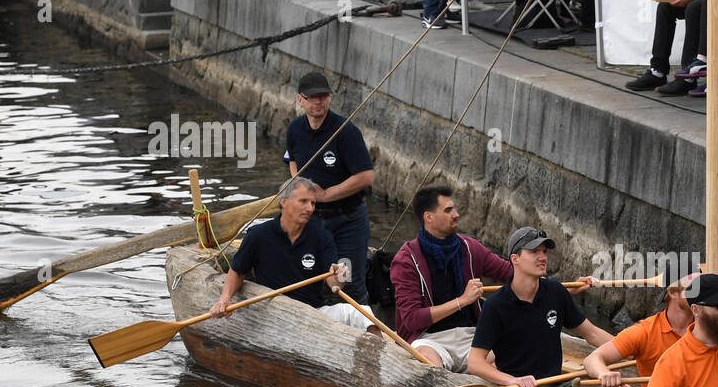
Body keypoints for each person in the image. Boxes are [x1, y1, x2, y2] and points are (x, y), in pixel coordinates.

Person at [469, 228, 637, 387]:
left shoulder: (556, 292)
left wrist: (632, 348)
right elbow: (475, 363)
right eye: (534, 252)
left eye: (544, 252)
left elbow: (591, 333)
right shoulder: (495, 305)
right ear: (515, 259)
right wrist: (511, 380)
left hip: (558, 386)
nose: (542, 257)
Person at [210, 177, 373, 332]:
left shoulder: (322, 237)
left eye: (313, 203)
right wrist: (224, 299)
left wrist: (341, 275)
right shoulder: (258, 235)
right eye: (303, 201)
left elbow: (333, 283)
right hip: (272, 315)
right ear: (284, 202)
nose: (310, 208)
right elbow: (237, 271)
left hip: (313, 314)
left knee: (362, 312)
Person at [391, 186, 514, 369]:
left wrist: (564, 289)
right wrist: (461, 301)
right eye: (448, 210)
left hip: (471, 337)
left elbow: (512, 273)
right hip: (429, 340)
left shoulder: (470, 248)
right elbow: (411, 319)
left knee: (508, 359)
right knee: (430, 368)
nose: (456, 214)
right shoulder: (406, 260)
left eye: (454, 209)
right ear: (429, 217)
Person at [282, 72, 375, 304]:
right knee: (307, 274)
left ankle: (361, 328)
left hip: (347, 221)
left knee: (349, 280)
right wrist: (300, 187)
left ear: (330, 98)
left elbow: (366, 176)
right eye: (312, 97)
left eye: (323, 96)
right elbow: (292, 159)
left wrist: (325, 195)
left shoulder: (346, 131)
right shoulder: (295, 129)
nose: (318, 102)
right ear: (300, 100)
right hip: (311, 220)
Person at [582, 270, 698, 387]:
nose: (703, 294)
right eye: (695, 288)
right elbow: (593, 359)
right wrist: (604, 374)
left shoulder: (711, 326)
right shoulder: (645, 331)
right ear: (673, 292)